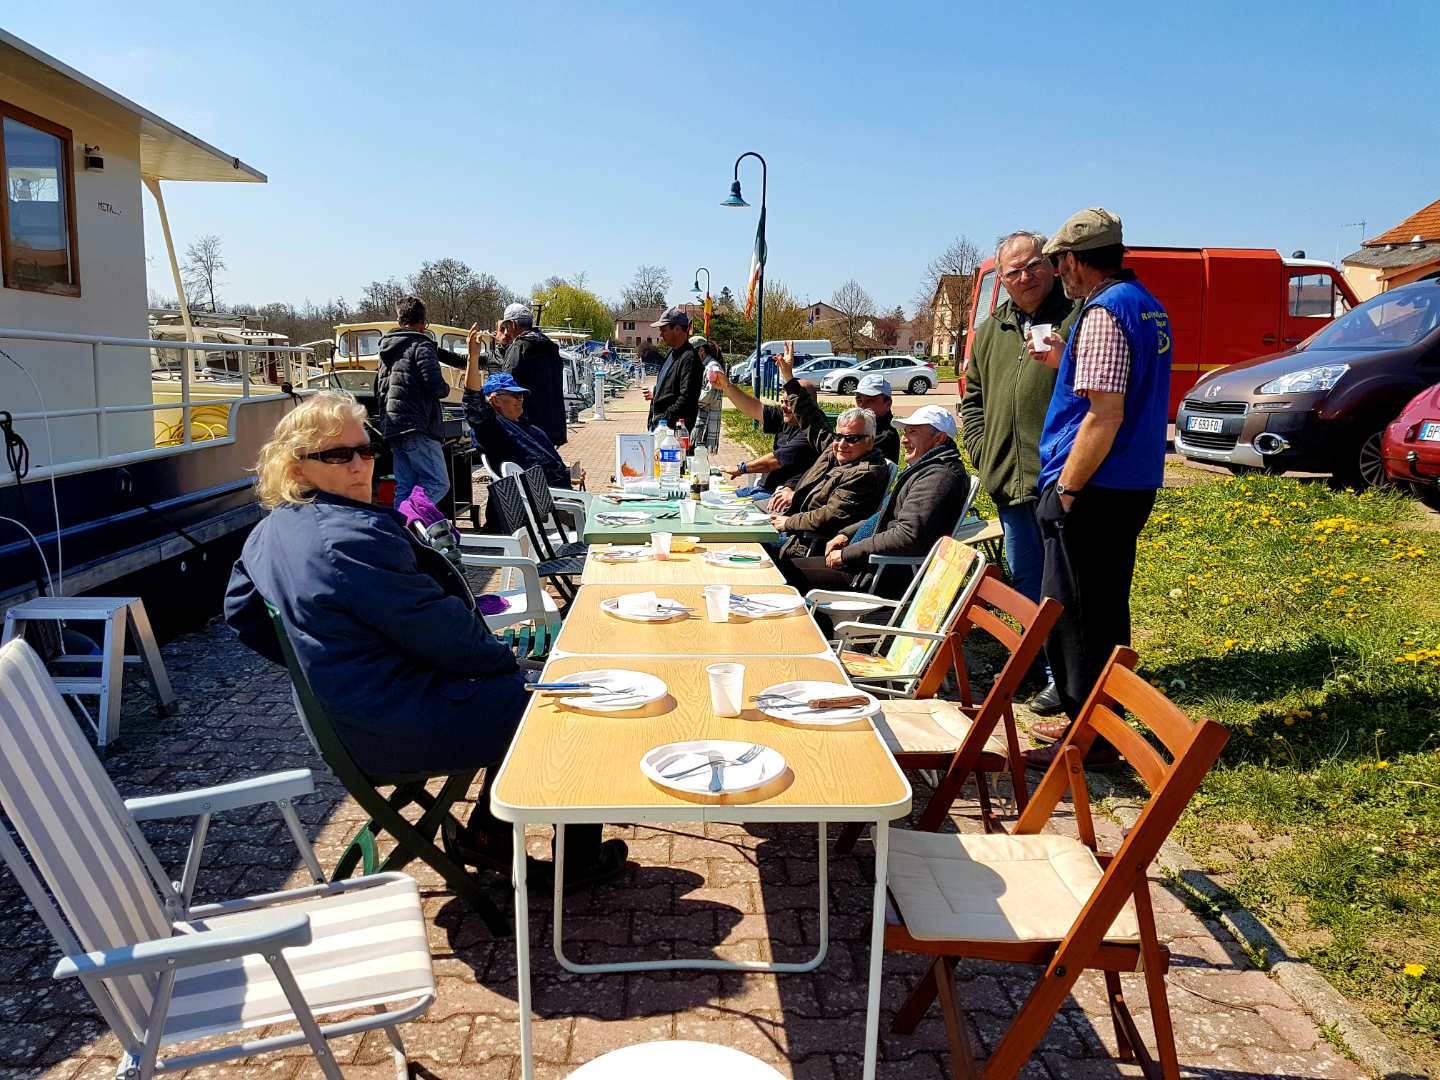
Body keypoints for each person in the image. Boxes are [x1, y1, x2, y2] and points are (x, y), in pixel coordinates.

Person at [223, 391, 626, 887]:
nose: (359, 465)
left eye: (366, 450)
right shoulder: (353, 538)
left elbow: (242, 614)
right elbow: (446, 635)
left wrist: (319, 659)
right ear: (298, 468)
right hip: (394, 724)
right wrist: (511, 665)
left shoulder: (269, 530)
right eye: (337, 455)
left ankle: (490, 834)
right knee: (572, 706)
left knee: (532, 691)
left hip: (347, 716)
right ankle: (574, 862)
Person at [1024, 208, 1173, 770]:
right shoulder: (1147, 305)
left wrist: (1065, 490)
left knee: (1077, 616)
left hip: (1094, 486)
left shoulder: (1105, 312)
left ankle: (1091, 743)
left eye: (1058, 263)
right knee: (1105, 608)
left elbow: (1104, 415)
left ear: (1072, 260)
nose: (1059, 275)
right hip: (1130, 481)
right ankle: (1098, 729)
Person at [962, 230, 1080, 716]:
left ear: (1051, 265)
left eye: (1034, 265)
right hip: (1008, 480)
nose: (1025, 276)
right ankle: (1033, 660)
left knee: (1062, 585)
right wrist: (981, 449)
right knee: (1027, 579)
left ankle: (1063, 677)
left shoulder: (1076, 317)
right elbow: (972, 398)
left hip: (1059, 479)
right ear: (1003, 280)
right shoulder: (992, 331)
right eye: (1014, 271)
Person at [811, 404, 971, 596]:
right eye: (905, 431)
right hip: (869, 565)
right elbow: (884, 515)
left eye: (913, 432)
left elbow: (907, 535)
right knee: (785, 570)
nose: (904, 439)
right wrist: (846, 534)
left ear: (940, 438)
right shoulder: (924, 468)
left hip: (880, 575)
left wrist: (847, 554)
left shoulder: (940, 476)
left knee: (789, 576)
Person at [766, 407, 890, 583]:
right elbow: (812, 422)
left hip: (810, 544)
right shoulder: (840, 456)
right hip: (796, 533)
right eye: (838, 436)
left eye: (851, 438)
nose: (841, 444)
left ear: (870, 442)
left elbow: (830, 516)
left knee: (752, 549)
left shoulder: (864, 473)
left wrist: (788, 523)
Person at [462, 323, 574, 488]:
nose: (520, 399)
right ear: (495, 400)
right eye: (514, 395)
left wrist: (568, 473)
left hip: (561, 496)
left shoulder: (529, 427)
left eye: (521, 394)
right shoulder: (495, 428)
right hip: (538, 504)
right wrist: (473, 358)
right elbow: (473, 404)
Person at [376, 295, 457, 507]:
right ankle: (411, 515)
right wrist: (448, 388)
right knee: (438, 483)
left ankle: (405, 534)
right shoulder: (421, 345)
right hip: (417, 427)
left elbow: (381, 389)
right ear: (423, 323)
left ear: (399, 320)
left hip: (393, 427)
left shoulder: (386, 349)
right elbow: (437, 387)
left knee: (405, 486)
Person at [710, 363, 828, 503]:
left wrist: (741, 468)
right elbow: (754, 408)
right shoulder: (788, 417)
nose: (784, 406)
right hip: (761, 488)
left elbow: (774, 461)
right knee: (711, 498)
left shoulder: (813, 431)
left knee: (723, 504)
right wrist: (726, 386)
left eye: (789, 402)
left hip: (777, 496)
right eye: (782, 401)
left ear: (805, 404)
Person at [498, 302, 568, 448]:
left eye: (506, 327)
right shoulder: (551, 348)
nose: (506, 331)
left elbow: (507, 386)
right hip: (554, 426)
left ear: (513, 324)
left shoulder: (519, 347)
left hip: (528, 426)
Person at [643, 307, 703, 430]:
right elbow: (671, 388)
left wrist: (663, 421)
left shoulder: (689, 358)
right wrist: (656, 392)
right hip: (661, 428)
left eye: (663, 329)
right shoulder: (672, 353)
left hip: (673, 433)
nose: (660, 334)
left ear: (677, 329)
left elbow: (687, 399)